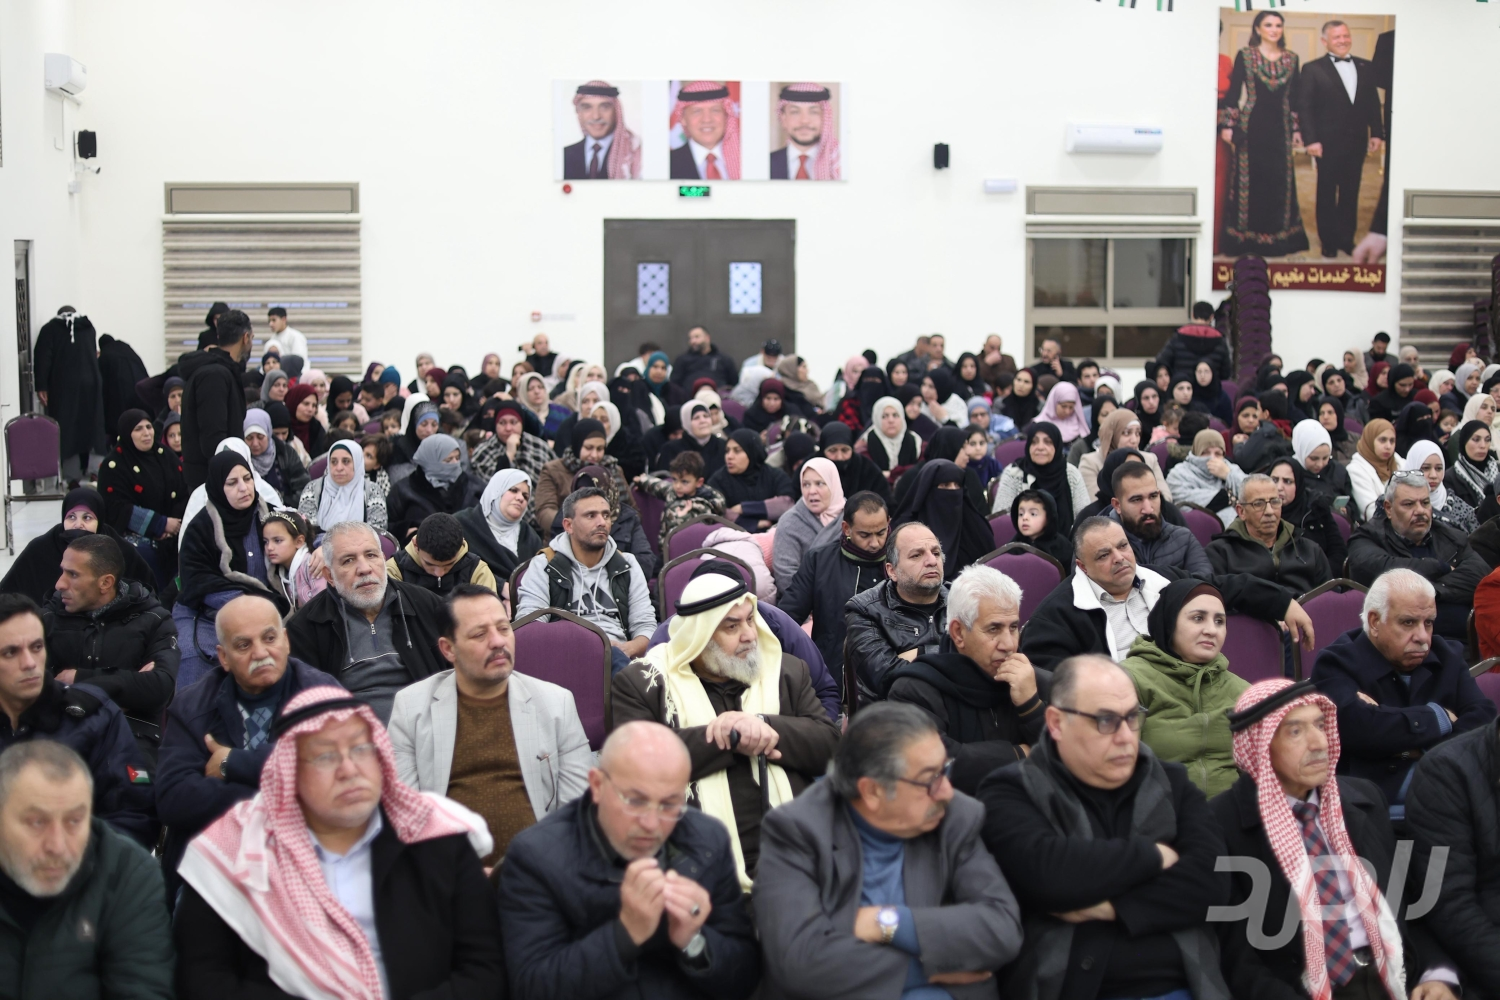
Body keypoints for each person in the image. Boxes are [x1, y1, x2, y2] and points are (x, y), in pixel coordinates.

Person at [174, 686, 505, 999]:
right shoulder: (234, 851)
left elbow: (485, 970)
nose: (349, 769)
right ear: (291, 773)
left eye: (361, 749)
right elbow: (203, 979)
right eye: (325, 757)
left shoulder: (436, 837)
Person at [978, 654, 1232, 1000]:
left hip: (1184, 985)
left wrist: (1111, 907)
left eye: (1132, 717)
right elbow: (1049, 875)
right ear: (1056, 722)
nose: (1126, 737)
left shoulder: (1172, 783)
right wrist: (1154, 856)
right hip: (1067, 986)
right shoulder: (1011, 790)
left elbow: (1211, 882)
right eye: (1106, 721)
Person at [756, 702, 1022, 1000]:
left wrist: (887, 922)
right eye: (931, 778)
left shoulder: (954, 816)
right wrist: (926, 967)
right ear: (872, 791)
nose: (947, 791)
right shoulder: (798, 831)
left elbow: (1002, 928)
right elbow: (799, 962)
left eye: (945, 770)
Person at [1215, 678, 1450, 1000]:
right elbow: (1236, 957)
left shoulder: (1364, 799)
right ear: (1259, 745)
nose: (1318, 743)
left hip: (1395, 975)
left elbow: (1409, 903)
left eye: (1320, 725)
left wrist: (1436, 974)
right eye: (1295, 732)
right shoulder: (1222, 824)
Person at [498, 721, 758, 1000]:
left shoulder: (706, 840)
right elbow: (532, 988)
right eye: (635, 801)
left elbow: (745, 979)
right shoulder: (536, 857)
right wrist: (625, 934)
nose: (651, 823)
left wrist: (693, 940)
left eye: (669, 805)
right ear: (597, 785)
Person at [612, 572, 838, 886]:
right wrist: (731, 737)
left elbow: (828, 747)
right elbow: (638, 767)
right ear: (698, 635)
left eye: (750, 620)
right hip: (693, 870)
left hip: (794, 861)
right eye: (732, 626)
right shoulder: (644, 684)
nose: (749, 635)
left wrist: (764, 726)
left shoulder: (786, 671)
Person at [389, 584, 590, 865]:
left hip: (540, 871)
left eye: (504, 628)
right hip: (447, 874)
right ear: (448, 649)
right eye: (480, 634)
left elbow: (576, 814)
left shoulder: (557, 703)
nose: (497, 642)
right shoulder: (411, 708)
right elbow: (405, 817)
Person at [156, 592, 339, 878]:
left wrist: (232, 763)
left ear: (286, 641)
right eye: (244, 645)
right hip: (215, 865)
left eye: (269, 638)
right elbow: (174, 799)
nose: (260, 653)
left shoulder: (323, 695)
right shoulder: (192, 706)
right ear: (223, 657)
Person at [1310, 568, 1495, 821]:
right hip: (1373, 810)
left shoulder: (1446, 654)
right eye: (1408, 622)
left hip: (1449, 794)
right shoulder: (1336, 662)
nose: (1423, 637)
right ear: (1375, 622)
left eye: (1428, 623)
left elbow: (1484, 719)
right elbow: (1361, 729)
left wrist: (1418, 748)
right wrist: (1438, 717)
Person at [1022, 517, 1314, 670]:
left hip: (1185, 691)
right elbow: (1051, 682)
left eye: (1123, 546)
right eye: (1103, 555)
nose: (1119, 558)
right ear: (1082, 567)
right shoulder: (1056, 616)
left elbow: (1222, 587)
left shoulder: (1162, 579)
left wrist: (1282, 602)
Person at [0, 741, 174, 998]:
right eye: (36, 822)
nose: (57, 846)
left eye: (74, 821)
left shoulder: (128, 875)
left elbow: (143, 989)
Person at [0, 594, 156, 847]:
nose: (29, 663)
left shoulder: (95, 717)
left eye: (36, 647)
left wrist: (67, 856)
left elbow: (135, 817)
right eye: (10, 652)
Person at [884, 565, 1044, 794]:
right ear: (958, 633)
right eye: (994, 629)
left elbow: (1071, 757)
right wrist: (1019, 755)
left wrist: (1031, 707)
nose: (1009, 644)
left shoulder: (1030, 681)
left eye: (1013, 627)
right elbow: (933, 764)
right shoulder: (915, 689)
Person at [286, 521, 447, 722]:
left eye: (371, 555)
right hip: (351, 736)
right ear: (329, 575)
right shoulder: (305, 628)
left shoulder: (426, 606)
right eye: (348, 560)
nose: (364, 569)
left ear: (383, 559)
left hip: (428, 727)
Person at [42, 533, 178, 764]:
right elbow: (31, 690)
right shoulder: (47, 618)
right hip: (60, 739)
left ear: (105, 582)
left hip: (133, 739)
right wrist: (124, 691)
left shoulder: (154, 620)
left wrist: (77, 678)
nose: (59, 584)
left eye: (73, 574)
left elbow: (159, 688)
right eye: (63, 571)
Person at [1118, 579, 1247, 797]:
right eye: (1198, 618)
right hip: (1159, 811)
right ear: (1170, 622)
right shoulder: (1129, 680)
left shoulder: (1242, 691)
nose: (1211, 630)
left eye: (1219, 621)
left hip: (1232, 813)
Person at [174, 450, 286, 691]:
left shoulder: (270, 515)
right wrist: (245, 605)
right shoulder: (201, 527)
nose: (244, 488)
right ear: (217, 487)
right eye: (232, 483)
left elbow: (303, 533)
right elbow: (197, 579)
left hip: (272, 609)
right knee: (194, 657)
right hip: (209, 613)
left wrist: (319, 549)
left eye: (247, 478)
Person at [516, 488, 656, 674]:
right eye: (591, 515)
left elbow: (646, 626)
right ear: (568, 525)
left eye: (606, 515)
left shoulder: (627, 564)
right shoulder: (545, 564)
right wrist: (582, 647)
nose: (602, 522)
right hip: (564, 655)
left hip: (619, 657)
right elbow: (530, 626)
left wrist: (627, 649)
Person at [1347, 474, 1487, 639]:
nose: (1420, 511)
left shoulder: (1451, 536)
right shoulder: (1367, 538)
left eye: (1425, 503)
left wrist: (1432, 591)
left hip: (1464, 641)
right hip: (1399, 645)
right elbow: (1385, 571)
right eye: (1409, 504)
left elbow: (1480, 575)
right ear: (1388, 508)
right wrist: (1440, 568)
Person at [779, 492, 890, 693]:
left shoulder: (901, 559)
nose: (875, 543)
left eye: (881, 533)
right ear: (846, 528)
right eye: (865, 535)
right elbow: (789, 616)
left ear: (888, 523)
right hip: (835, 675)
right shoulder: (820, 560)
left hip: (891, 675)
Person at [1219, 10, 1310, 257]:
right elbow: (1233, 93)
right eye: (1268, 25)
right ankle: (1246, 238)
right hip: (1251, 127)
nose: (1274, 30)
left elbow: (1295, 98)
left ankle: (1279, 237)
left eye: (1278, 25)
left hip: (1281, 129)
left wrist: (1297, 129)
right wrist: (1228, 125)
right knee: (1250, 181)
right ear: (1258, 29)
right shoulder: (1246, 56)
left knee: (1280, 181)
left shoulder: (1292, 59)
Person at [1300, 21, 1385, 255]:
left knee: (1351, 191)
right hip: (1326, 142)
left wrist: (1377, 133)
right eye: (1336, 37)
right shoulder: (1312, 69)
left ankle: (1346, 239)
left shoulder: (1365, 66)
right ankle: (1328, 241)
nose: (1343, 40)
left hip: (1357, 140)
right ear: (1324, 41)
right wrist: (1311, 140)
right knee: (1326, 192)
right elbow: (1305, 107)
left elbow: (1372, 103)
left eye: (1346, 36)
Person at [844, 521, 950, 706]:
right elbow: (886, 678)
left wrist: (918, 654)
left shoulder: (964, 600)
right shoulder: (865, 609)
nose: (932, 561)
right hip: (896, 716)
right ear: (892, 571)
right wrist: (952, 655)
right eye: (917, 555)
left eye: (935, 553)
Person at [0, 487, 154, 607]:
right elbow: (8, 594)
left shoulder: (118, 549)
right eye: (71, 517)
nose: (78, 524)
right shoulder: (41, 549)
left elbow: (147, 591)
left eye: (87, 518)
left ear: (100, 522)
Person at [97, 408, 185, 590]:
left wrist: (173, 525)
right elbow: (116, 508)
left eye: (149, 427)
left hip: (174, 531)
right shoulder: (114, 465)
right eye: (138, 429)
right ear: (126, 433)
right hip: (136, 537)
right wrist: (159, 524)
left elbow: (183, 491)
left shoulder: (165, 455)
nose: (146, 433)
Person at [1207, 472, 1333, 594]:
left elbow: (1329, 600)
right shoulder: (1221, 553)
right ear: (1241, 511)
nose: (1269, 511)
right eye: (1259, 504)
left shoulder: (1310, 550)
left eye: (1275, 502)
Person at [179, 308, 254, 489]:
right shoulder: (215, 375)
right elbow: (213, 438)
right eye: (252, 338)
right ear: (245, 338)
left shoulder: (221, 371)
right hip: (214, 482)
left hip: (221, 477)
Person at [32, 308, 106, 483]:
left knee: (67, 429)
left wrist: (41, 386)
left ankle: (71, 477)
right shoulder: (88, 328)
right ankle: (96, 471)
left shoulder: (50, 329)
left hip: (64, 387)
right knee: (93, 427)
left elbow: (43, 358)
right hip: (91, 385)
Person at [891, 458, 993, 582]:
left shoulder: (976, 528)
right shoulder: (905, 529)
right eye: (945, 485)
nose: (953, 491)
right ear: (927, 489)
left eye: (957, 485)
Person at [991, 422, 1091, 535]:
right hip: (1023, 541)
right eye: (1034, 442)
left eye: (1048, 442)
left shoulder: (1071, 473)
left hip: (1067, 542)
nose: (1040, 447)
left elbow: (1084, 518)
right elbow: (1002, 520)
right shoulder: (1014, 473)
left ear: (1057, 445)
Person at [771, 456, 845, 595]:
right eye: (806, 485)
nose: (811, 491)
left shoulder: (851, 516)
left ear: (833, 485)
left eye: (819, 483)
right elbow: (785, 576)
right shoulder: (790, 522)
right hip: (804, 600)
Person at [456, 468, 543, 584]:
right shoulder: (462, 524)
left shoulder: (531, 537)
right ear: (496, 491)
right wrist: (500, 586)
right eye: (513, 490)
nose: (520, 498)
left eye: (526, 496)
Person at [1268, 457, 1349, 577]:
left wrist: (1320, 578)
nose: (1279, 487)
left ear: (1298, 484)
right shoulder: (1258, 512)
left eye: (1287, 481)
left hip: (1318, 579)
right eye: (1274, 480)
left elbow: (1338, 552)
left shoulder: (1316, 508)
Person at [633, 451, 727, 554]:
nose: (677, 486)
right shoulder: (674, 492)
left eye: (684, 482)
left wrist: (681, 518)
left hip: (690, 555)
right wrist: (642, 480)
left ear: (699, 482)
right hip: (665, 551)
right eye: (674, 479)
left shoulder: (704, 505)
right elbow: (659, 486)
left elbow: (690, 534)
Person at [387, 511, 497, 594]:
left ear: (460, 546)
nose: (439, 573)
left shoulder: (478, 572)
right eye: (429, 564)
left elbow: (490, 614)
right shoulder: (393, 570)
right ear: (416, 545)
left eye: (449, 564)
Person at [709, 429, 795, 532]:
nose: (729, 456)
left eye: (737, 451)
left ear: (751, 452)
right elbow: (716, 512)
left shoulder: (774, 475)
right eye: (727, 451)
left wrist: (744, 508)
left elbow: (787, 504)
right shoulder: (718, 480)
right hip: (734, 537)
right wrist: (753, 524)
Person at [296, 438, 386, 534]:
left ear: (357, 463)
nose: (339, 468)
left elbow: (377, 533)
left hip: (361, 543)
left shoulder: (372, 491)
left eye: (346, 461)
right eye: (334, 462)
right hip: (319, 543)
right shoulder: (312, 488)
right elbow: (307, 530)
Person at [1079, 409, 1165, 503]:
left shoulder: (1150, 459)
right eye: (1127, 433)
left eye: (1137, 433)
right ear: (1112, 435)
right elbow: (1094, 501)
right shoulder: (1090, 463)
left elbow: (1165, 497)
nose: (1134, 440)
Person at [563, 80, 641, 180]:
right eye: (587, 107)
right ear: (579, 113)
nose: (596, 116)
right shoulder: (564, 155)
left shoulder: (635, 154)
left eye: (604, 107)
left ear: (616, 112)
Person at [1402, 440, 1478, 534]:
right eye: (1426, 468)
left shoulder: (1462, 509)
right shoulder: (1397, 507)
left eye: (1438, 468)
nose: (1433, 475)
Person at [769, 83, 839, 179]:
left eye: (814, 112)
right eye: (795, 112)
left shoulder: (841, 163)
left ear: (825, 118)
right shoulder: (763, 164)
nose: (804, 120)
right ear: (783, 118)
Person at [242, 406, 309, 507]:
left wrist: (280, 506)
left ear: (268, 434)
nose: (255, 443)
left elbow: (304, 489)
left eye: (260, 437)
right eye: (249, 438)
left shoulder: (285, 452)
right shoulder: (240, 458)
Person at [1156, 303, 1232, 385]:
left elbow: (1161, 362)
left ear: (1192, 315)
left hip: (1182, 388)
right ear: (1211, 317)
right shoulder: (1220, 341)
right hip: (1210, 389)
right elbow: (1226, 373)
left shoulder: (1178, 337)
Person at [1348, 419, 1402, 521]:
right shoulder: (1356, 470)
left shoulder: (1400, 463)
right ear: (1370, 440)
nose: (1388, 446)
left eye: (1392, 441)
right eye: (1382, 440)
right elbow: (1371, 511)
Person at [861, 395, 923, 482]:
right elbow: (868, 472)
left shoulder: (916, 442)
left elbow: (920, 469)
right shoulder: (864, 444)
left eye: (895, 415)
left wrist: (890, 474)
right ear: (876, 419)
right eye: (884, 416)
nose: (891, 420)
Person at [1010, 487, 1074, 566]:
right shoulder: (1013, 545)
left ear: (1048, 517)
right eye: (1021, 514)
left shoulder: (1063, 547)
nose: (1025, 518)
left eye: (1033, 514)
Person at [669, 325, 738, 388]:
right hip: (691, 396)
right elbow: (674, 384)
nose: (693, 341)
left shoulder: (724, 359)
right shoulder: (682, 360)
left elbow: (734, 383)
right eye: (690, 338)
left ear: (707, 338)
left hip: (719, 395)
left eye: (697, 337)